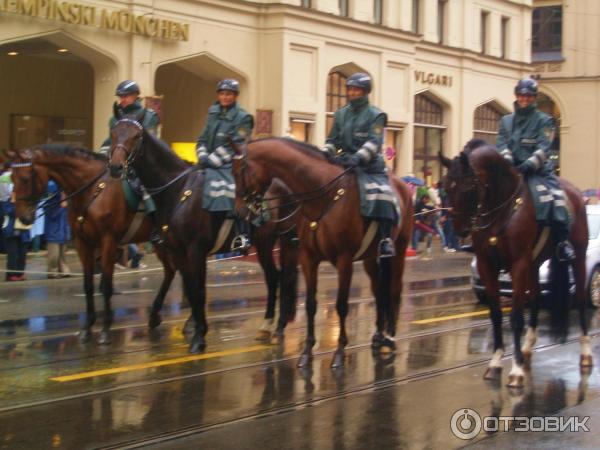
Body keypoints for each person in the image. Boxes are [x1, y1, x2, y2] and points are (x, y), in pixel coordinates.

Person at [321, 72, 399, 258]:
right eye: (350, 89)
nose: (352, 93)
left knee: (383, 195)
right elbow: (332, 140)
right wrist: (324, 154)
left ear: (365, 92)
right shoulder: (340, 114)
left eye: (357, 89)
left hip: (370, 166)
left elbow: (374, 142)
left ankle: (385, 239)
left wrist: (358, 158)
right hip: (345, 163)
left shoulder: (376, 115)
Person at [496, 77, 574, 261]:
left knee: (556, 198)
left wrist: (529, 165)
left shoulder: (545, 120)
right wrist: (509, 164)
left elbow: (544, 147)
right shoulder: (506, 121)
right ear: (517, 95)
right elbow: (501, 144)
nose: (525, 99)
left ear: (534, 98)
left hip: (538, 171)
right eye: (522, 95)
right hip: (512, 170)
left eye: (529, 96)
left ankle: (562, 242)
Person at [195, 78, 254, 253]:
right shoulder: (212, 112)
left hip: (232, 164)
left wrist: (211, 160)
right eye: (222, 93)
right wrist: (203, 155)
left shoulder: (244, 117)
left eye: (229, 94)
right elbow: (202, 138)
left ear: (235, 96)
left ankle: (242, 235)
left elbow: (237, 144)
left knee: (233, 193)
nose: (225, 97)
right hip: (208, 162)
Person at [101, 80, 162, 244]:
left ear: (136, 96)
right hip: (119, 164)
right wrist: (102, 157)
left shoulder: (149, 117)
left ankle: (157, 226)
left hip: (142, 164)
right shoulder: (116, 119)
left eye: (126, 96)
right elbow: (109, 142)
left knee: (146, 187)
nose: (122, 99)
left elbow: (151, 143)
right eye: (120, 96)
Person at [44, 181, 71, 278]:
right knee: (54, 254)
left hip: (63, 228)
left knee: (62, 252)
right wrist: (61, 205)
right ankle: (52, 271)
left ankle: (63, 269)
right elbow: (51, 214)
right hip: (54, 229)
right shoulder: (51, 198)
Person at [2, 188, 31, 281]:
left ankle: (20, 273)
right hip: (11, 231)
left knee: (23, 253)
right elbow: (9, 212)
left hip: (24, 230)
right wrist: (13, 202)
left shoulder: (25, 202)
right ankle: (11, 274)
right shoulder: (7, 202)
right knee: (13, 254)